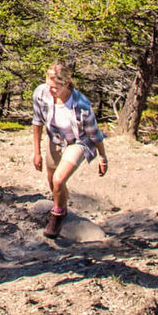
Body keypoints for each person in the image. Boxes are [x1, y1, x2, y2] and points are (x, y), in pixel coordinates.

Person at [32, 61, 108, 239]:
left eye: (55, 88)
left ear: (66, 84)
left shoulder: (81, 103)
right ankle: (61, 205)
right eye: (49, 86)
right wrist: (36, 153)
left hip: (78, 141)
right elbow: (37, 123)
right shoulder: (40, 93)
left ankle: (58, 215)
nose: (50, 90)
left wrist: (103, 157)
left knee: (59, 180)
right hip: (56, 138)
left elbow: (94, 133)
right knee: (52, 181)